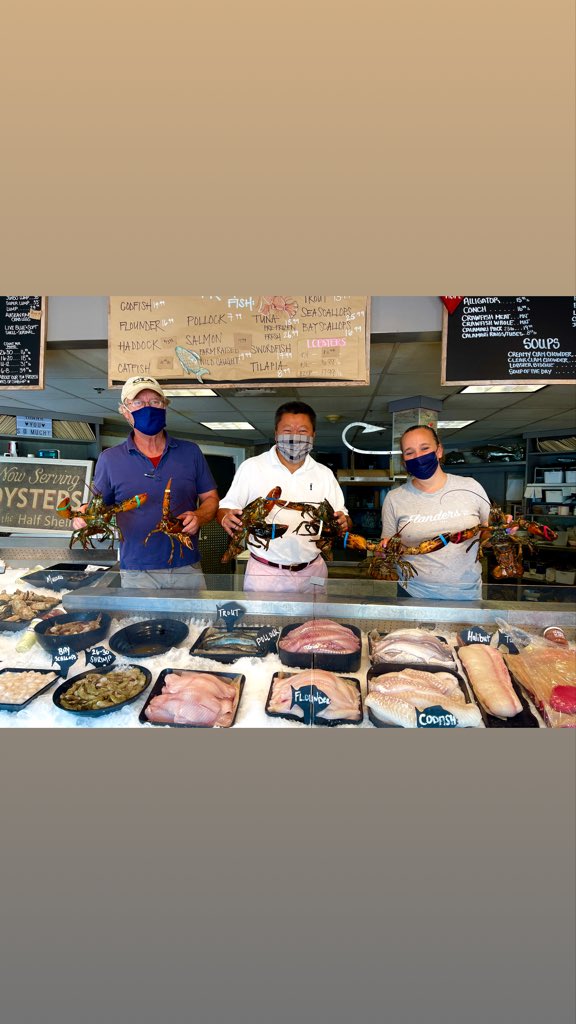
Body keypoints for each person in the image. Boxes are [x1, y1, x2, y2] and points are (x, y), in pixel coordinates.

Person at [72, 376, 219, 588]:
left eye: (155, 402)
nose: (147, 408)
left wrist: (199, 516)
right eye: (138, 403)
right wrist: (84, 516)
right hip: (137, 571)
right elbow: (98, 507)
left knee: (195, 622)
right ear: (124, 411)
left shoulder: (191, 452)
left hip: (186, 566)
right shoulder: (110, 458)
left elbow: (211, 498)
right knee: (142, 622)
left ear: (166, 406)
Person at [216, 401, 351, 592]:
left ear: (313, 435)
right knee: (262, 623)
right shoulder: (252, 467)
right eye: (287, 430)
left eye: (303, 431)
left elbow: (343, 518)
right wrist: (225, 518)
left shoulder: (324, 474)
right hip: (265, 572)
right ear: (276, 434)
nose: (295, 437)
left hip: (313, 571)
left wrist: (344, 522)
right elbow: (225, 509)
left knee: (314, 623)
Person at [379, 424, 491, 601]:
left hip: (467, 594)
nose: (418, 457)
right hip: (412, 594)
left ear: (439, 451)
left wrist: (505, 533)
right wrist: (383, 550)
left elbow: (488, 536)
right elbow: (389, 546)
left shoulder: (471, 487)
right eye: (410, 452)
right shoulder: (394, 498)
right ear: (404, 461)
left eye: (425, 448)